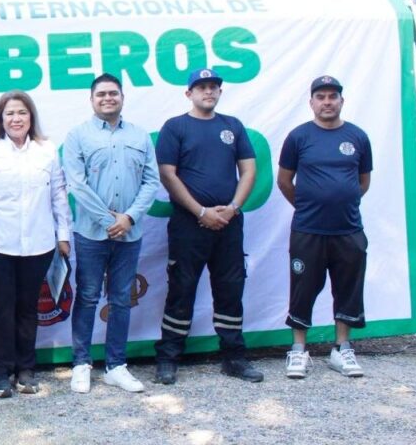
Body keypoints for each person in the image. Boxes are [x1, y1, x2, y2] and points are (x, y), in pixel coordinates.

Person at [152, 69, 262, 385]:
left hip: (229, 224)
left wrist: (232, 208)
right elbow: (168, 175)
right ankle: (168, 359)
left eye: (213, 87)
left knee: (230, 290)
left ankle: (234, 358)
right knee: (181, 290)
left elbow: (249, 171)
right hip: (189, 225)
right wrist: (201, 211)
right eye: (201, 87)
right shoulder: (175, 127)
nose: (208, 92)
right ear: (189, 93)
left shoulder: (233, 126)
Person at [0, 90, 72, 398]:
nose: (16, 119)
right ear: (1, 119)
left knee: (29, 309)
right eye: (10, 113)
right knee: (0, 310)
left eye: (22, 113)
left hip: (39, 245)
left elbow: (58, 195)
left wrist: (63, 235)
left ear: (31, 118)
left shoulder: (47, 150)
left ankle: (26, 369)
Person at [63, 73, 161, 394]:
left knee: (121, 299)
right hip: (91, 234)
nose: (108, 98)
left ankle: (116, 366)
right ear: (91, 100)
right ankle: (81, 363)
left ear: (122, 98)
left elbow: (151, 181)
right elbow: (76, 184)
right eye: (101, 94)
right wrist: (109, 220)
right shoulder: (78, 135)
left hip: (129, 235)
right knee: (88, 297)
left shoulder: (140, 136)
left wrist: (129, 218)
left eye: (113, 93)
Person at [276, 75, 372, 379]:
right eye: (321, 97)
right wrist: (308, 205)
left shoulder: (357, 136)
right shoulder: (298, 137)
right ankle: (298, 350)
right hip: (308, 229)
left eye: (333, 96)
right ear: (312, 103)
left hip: (348, 229)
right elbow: (284, 180)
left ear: (342, 101)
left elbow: (363, 181)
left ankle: (342, 349)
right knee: (302, 288)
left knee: (348, 288)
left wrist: (340, 201)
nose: (327, 102)